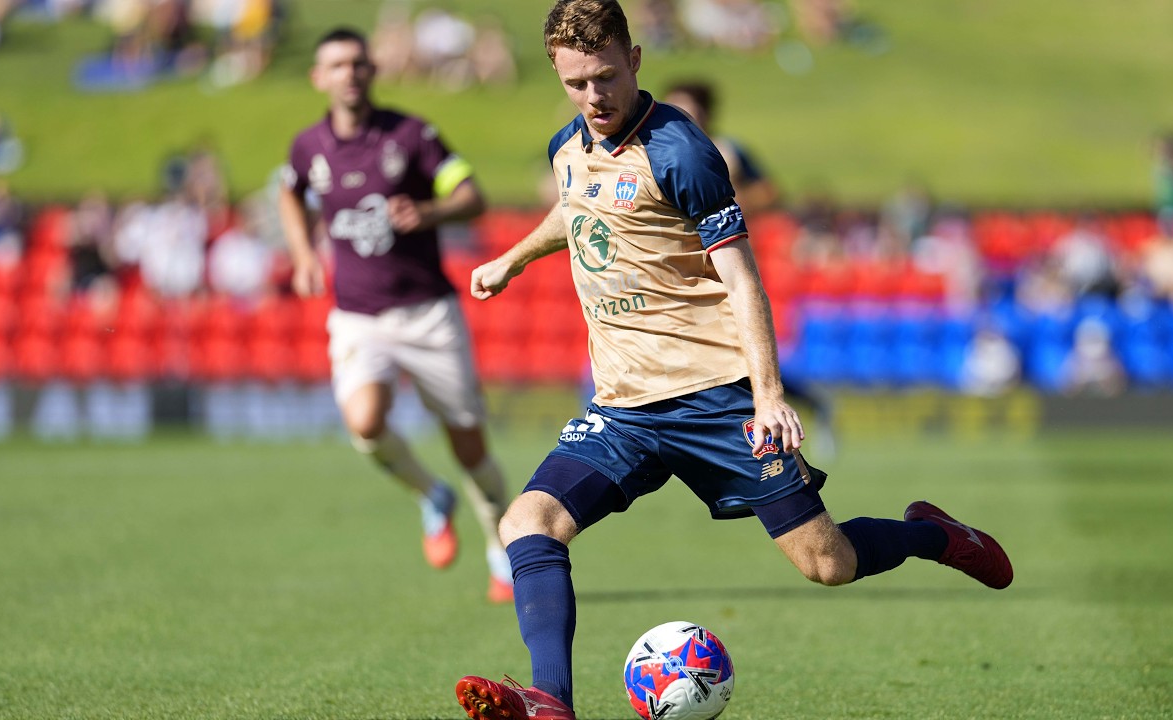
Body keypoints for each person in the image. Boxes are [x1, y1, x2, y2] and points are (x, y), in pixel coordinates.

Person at [453, 3, 1014, 719]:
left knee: (828, 563)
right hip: (624, 406)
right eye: (575, 83)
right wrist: (513, 258)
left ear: (635, 59)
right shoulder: (571, 144)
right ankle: (548, 702)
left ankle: (935, 535)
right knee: (527, 522)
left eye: (604, 77)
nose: (593, 97)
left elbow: (742, 279)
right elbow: (576, 206)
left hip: (718, 397)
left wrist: (771, 394)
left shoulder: (681, 151)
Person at [277, 28, 514, 603]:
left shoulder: (412, 135)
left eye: (358, 63)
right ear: (319, 77)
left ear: (372, 71)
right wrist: (305, 253)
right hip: (359, 316)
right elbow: (289, 192)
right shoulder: (308, 147)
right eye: (336, 65)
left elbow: (473, 196)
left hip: (428, 312)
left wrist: (429, 210)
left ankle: (500, 547)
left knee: (470, 445)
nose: (349, 73)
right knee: (363, 422)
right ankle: (432, 496)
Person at [662, 79, 781, 213]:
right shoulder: (649, 153)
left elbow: (769, 193)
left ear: (705, 113)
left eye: (683, 113)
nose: (673, 121)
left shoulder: (728, 149)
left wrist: (735, 201)